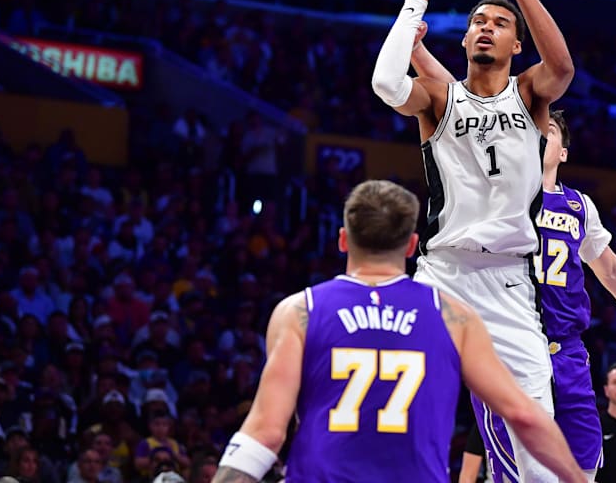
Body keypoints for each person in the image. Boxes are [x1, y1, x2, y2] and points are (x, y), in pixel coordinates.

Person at [411, 64, 616, 482]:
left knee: (583, 466)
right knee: (517, 470)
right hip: (510, 340)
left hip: (567, 352)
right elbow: (466, 106)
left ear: (563, 150)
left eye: (547, 129)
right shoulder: (497, 196)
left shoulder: (579, 206)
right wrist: (419, 50)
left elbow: (609, 267)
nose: (537, 132)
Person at [371, 0, 575, 482]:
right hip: (441, 279)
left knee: (539, 442)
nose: (486, 27)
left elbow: (562, 68)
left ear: (517, 46)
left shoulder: (531, 94)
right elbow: (387, 83)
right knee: (399, 417)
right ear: (462, 42)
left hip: (511, 284)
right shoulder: (440, 98)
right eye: (478, 22)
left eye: (500, 23)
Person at [212, 180, 585, 483]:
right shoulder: (453, 316)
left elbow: (265, 433)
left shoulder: (300, 311)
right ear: (410, 245)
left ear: (343, 239)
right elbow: (523, 414)